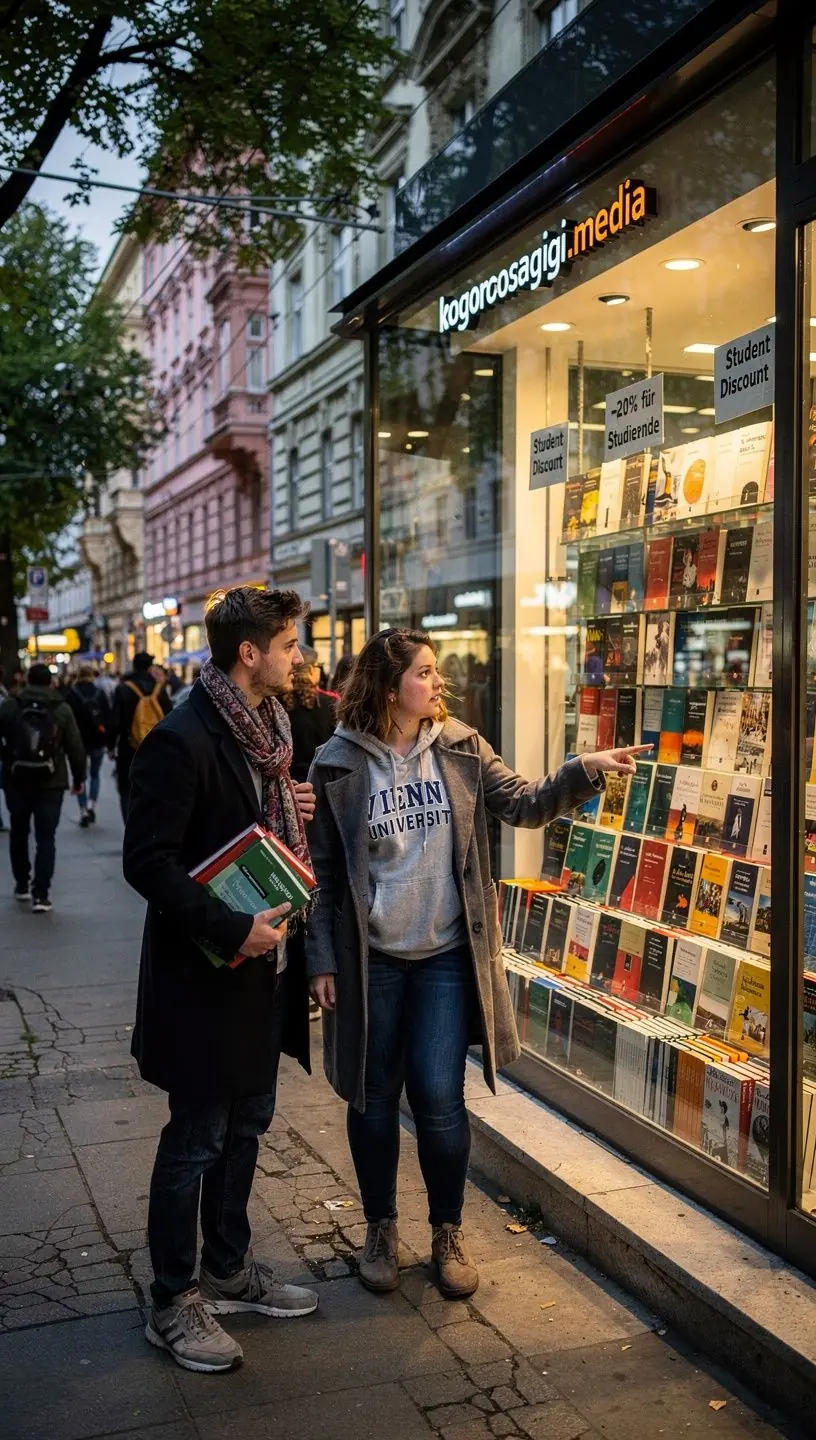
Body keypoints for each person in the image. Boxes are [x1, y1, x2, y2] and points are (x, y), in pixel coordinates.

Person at [305, 627, 648, 1300]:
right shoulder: (337, 763)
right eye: (425, 673)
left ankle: (447, 1230)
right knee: (372, 1099)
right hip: (370, 958)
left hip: (442, 958)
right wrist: (321, 957)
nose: (438, 684)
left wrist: (584, 769)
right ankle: (380, 1229)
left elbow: (522, 803)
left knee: (438, 1095)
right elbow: (320, 872)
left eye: (436, 674)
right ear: (388, 685)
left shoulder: (460, 747)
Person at [123, 586, 320, 1375]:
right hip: (206, 974)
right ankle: (172, 1300)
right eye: (290, 644)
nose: (299, 657)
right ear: (251, 653)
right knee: (197, 1136)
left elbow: (250, 826)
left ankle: (228, 1268)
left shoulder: (271, 733)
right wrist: (231, 926)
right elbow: (148, 862)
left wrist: (290, 808)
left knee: (249, 1123)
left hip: (263, 970)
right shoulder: (182, 737)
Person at [0, 662, 86, 912]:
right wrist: (79, 778)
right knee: (46, 837)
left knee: (19, 831)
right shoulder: (61, 709)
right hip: (51, 781)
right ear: (51, 682)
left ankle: (21, 884)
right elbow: (75, 747)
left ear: (26, 680)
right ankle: (42, 894)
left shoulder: (10, 705)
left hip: (16, 779)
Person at [110, 653, 172, 821]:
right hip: (156, 748)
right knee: (154, 789)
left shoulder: (123, 689)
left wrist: (110, 746)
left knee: (126, 791)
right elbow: (171, 717)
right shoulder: (159, 690)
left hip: (128, 748)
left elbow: (115, 722)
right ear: (150, 667)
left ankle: (129, 828)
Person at [283, 645, 337, 785]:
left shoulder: (276, 705)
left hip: (290, 784)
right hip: (325, 781)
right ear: (312, 670)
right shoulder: (330, 703)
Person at [66, 664, 111, 827]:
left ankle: (83, 809)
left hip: (78, 741)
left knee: (80, 776)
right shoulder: (99, 693)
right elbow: (107, 716)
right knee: (95, 775)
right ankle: (92, 804)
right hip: (97, 739)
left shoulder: (72, 693)